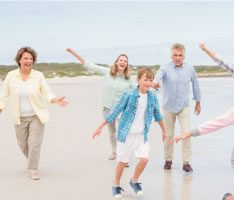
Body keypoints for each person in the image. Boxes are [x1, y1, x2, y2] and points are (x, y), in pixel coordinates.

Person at [93, 68, 166, 198]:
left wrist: (164, 130)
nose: (148, 83)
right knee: (122, 161)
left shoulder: (152, 96)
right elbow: (116, 110)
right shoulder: (129, 94)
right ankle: (116, 184)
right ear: (138, 80)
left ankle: (134, 181)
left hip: (141, 135)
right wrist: (100, 126)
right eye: (145, 80)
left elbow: (157, 114)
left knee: (144, 159)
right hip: (126, 134)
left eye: (150, 80)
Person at [0, 47, 69, 180]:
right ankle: (33, 160)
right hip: (19, 117)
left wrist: (55, 99)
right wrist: (1, 107)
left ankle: (33, 169)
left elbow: (46, 92)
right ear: (19, 60)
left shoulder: (38, 76)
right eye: (25, 58)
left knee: (34, 144)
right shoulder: (11, 76)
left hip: (36, 116)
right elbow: (4, 94)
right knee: (23, 145)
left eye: (31, 58)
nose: (28, 60)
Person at [66, 48, 137, 160]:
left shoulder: (129, 79)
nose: (123, 62)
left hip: (121, 110)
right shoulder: (108, 72)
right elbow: (89, 65)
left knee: (123, 132)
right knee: (112, 132)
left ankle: (123, 155)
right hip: (107, 108)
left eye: (125, 61)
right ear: (116, 62)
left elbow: (140, 89)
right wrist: (73, 53)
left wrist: (153, 86)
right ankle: (114, 152)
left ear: (127, 65)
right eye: (121, 60)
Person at [153, 43, 201, 172]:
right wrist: (155, 84)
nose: (178, 57)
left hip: (183, 106)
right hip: (168, 107)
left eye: (180, 55)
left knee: (186, 133)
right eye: (175, 55)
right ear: (171, 55)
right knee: (169, 135)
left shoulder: (190, 68)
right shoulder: (165, 67)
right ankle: (168, 160)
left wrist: (198, 101)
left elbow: (195, 84)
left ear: (184, 56)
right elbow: (157, 78)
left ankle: (186, 162)